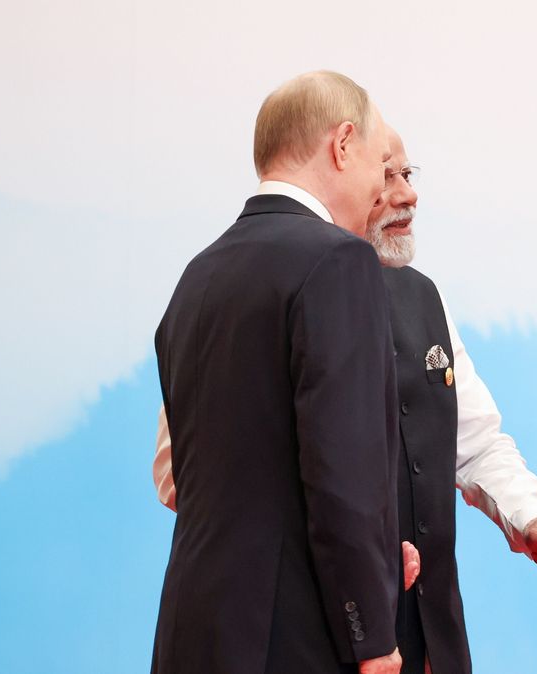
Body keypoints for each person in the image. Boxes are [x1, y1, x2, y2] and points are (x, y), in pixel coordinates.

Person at [153, 126, 537, 674]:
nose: (407, 193)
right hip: (306, 639)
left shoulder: (423, 295)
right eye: (385, 176)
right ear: (342, 174)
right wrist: (358, 554)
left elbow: (474, 442)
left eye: (409, 173)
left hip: (425, 641)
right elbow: (181, 474)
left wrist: (529, 517)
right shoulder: (252, 291)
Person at [152, 71, 406, 674]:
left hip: (191, 630)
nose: (382, 189)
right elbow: (344, 471)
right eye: (380, 162)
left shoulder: (198, 275)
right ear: (343, 145)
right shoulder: (339, 261)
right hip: (295, 638)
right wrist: (371, 637)